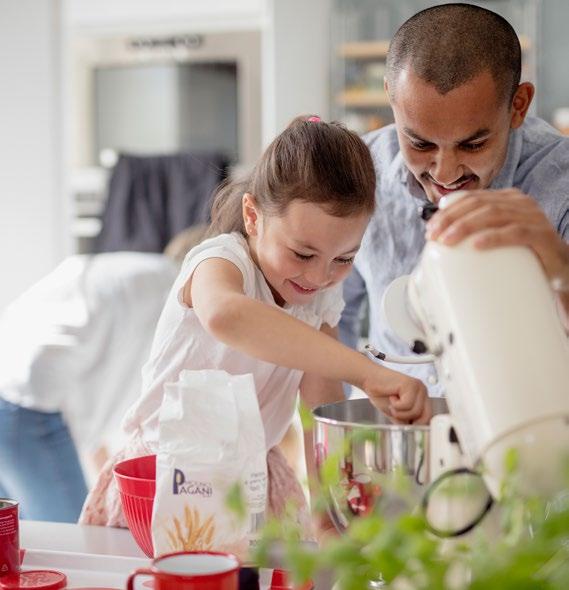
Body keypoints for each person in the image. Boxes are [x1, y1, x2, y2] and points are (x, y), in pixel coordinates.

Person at [80, 115, 431, 531]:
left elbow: (321, 413)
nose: (318, 277)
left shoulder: (319, 297)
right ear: (253, 216)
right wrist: (369, 373)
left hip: (253, 479)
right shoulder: (222, 261)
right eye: (302, 254)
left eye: (344, 259)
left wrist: (329, 516)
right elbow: (226, 316)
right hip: (169, 477)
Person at [340, 4, 569, 392]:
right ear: (390, 97)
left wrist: (559, 264)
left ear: (518, 106)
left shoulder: (560, 182)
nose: (445, 174)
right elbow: (329, 317)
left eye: (473, 143)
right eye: (419, 142)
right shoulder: (358, 172)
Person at [0, 232, 206, 522]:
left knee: (14, 540)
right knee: (70, 543)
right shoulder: (172, 293)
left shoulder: (134, 271)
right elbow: (143, 408)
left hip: (15, 389)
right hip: (27, 406)